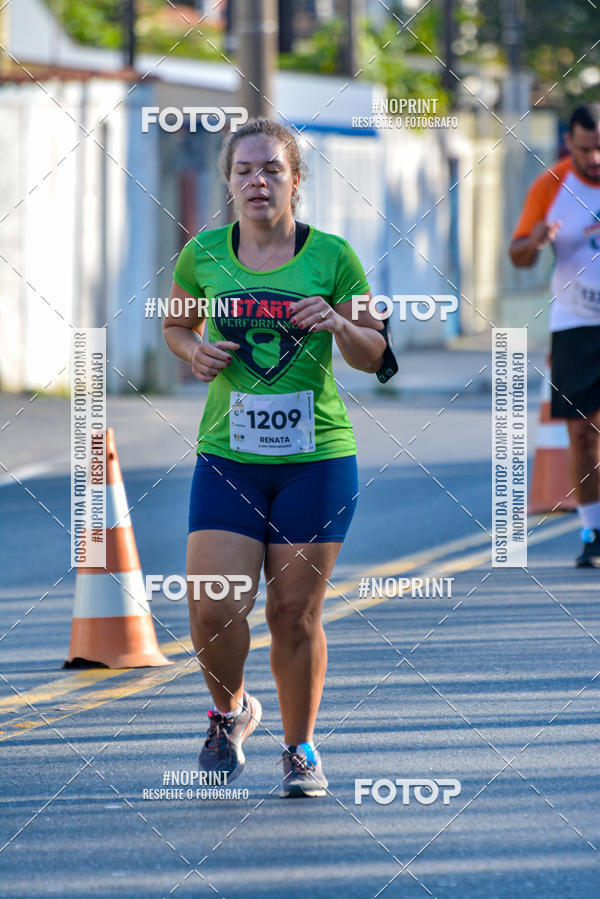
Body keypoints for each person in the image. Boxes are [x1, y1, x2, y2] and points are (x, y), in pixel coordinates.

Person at [162, 118, 386, 797]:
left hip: (315, 457)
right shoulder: (202, 254)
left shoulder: (335, 256)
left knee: (293, 612)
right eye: (245, 170)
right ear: (229, 182)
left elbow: (376, 353)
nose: (258, 180)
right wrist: (191, 350)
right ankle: (229, 713)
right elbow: (176, 325)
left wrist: (339, 323)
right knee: (212, 605)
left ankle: (300, 748)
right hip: (229, 455)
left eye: (273, 169)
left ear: (296, 180)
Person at [510, 103, 600, 568]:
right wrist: (538, 239)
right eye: (587, 149)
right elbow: (518, 254)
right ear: (571, 144)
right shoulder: (552, 184)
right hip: (575, 324)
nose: (596, 159)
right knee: (583, 434)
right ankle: (593, 532)